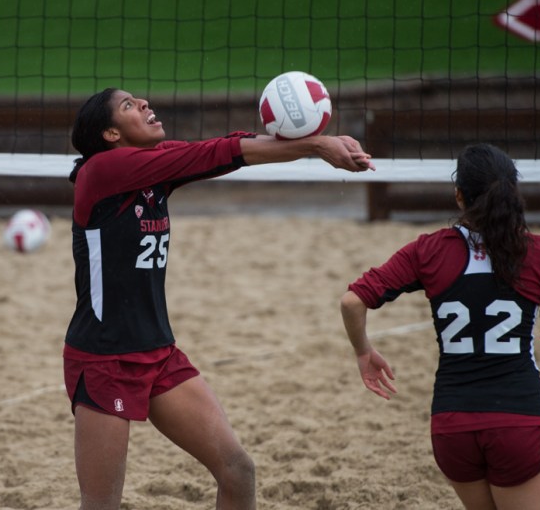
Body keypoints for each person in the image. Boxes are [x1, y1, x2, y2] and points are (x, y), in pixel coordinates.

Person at [64, 87, 374, 510]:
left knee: (237, 469)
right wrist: (317, 144)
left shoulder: (152, 170)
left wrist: (320, 144)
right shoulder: (102, 172)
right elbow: (211, 154)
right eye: (128, 106)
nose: (144, 104)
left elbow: (227, 149)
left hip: (158, 354)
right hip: (104, 359)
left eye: (139, 100)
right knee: (101, 505)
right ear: (111, 135)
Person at [340, 143, 540, 510]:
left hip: (451, 426)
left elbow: (352, 301)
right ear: (512, 194)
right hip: (516, 420)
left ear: (459, 197)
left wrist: (363, 350)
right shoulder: (539, 252)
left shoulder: (429, 250)